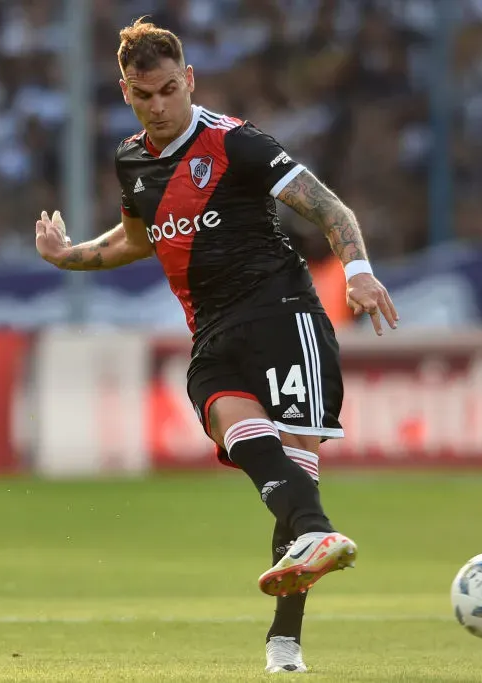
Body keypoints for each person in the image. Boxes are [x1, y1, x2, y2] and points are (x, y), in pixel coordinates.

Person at [33, 18, 399, 675]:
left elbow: (329, 209)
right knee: (234, 428)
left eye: (170, 90)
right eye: (145, 95)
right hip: (211, 330)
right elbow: (137, 238)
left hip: (284, 316)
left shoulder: (237, 144)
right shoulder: (133, 161)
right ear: (126, 92)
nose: (160, 105)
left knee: (295, 464)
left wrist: (359, 271)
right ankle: (315, 534)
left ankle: (284, 641)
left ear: (189, 80)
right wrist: (71, 255)